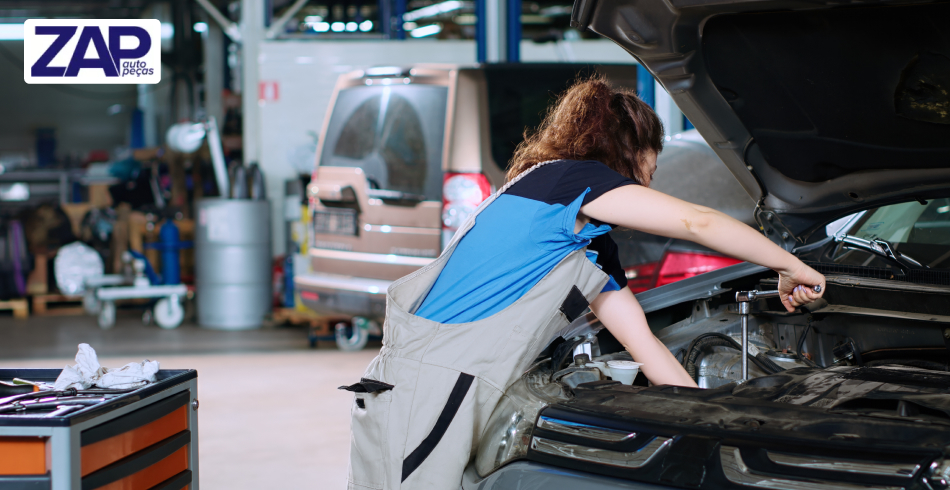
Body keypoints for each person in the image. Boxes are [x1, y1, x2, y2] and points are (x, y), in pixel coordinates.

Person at [343, 76, 826, 490]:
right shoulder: (564, 183)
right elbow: (698, 223)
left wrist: (721, 429)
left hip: (463, 390)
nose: (649, 188)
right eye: (649, 172)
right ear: (627, 152)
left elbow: (646, 347)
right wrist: (791, 266)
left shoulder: (591, 249)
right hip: (424, 386)